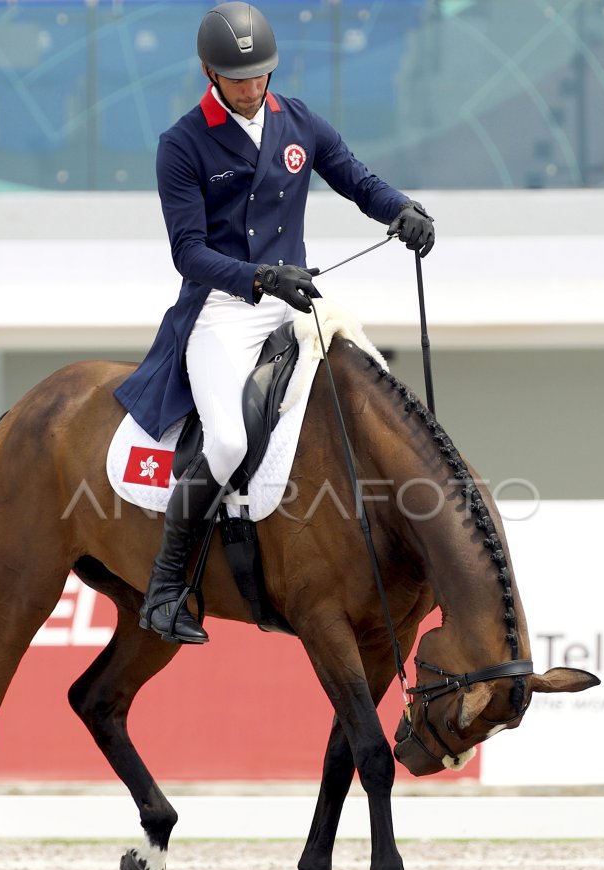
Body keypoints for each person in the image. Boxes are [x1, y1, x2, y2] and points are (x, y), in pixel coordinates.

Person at [114, 1, 435, 644]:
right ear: (210, 72)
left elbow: (356, 179)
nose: (251, 86)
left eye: (260, 73)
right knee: (228, 443)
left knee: (369, 396)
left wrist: (402, 209)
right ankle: (167, 588)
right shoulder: (183, 144)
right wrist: (260, 278)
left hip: (294, 306)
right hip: (223, 312)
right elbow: (188, 252)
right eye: (238, 77)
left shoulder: (298, 122)